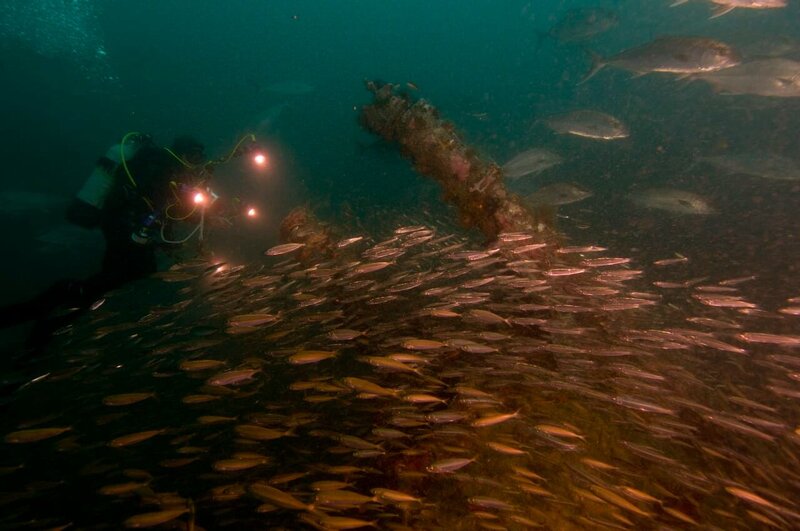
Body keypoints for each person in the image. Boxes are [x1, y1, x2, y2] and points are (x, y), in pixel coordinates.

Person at [0, 133, 209, 356]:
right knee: (117, 277)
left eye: (199, 156)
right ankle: (51, 308)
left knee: (120, 277)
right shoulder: (159, 164)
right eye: (194, 155)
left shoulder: (166, 169)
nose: (197, 161)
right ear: (183, 152)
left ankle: (51, 320)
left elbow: (172, 210)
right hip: (125, 228)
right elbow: (159, 203)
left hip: (127, 229)